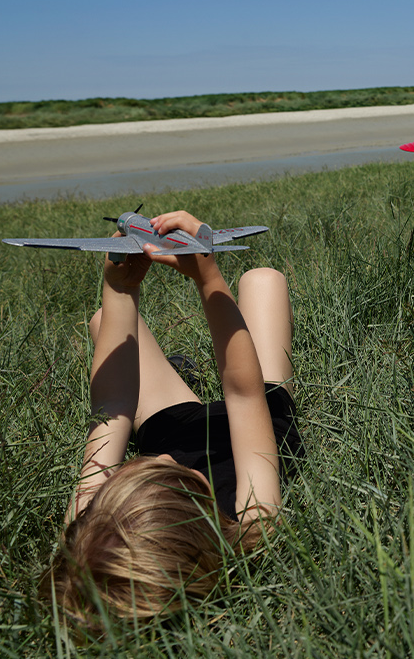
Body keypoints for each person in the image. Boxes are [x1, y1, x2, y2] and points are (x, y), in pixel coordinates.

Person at [47, 211, 302, 629]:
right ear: (200, 514)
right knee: (263, 280)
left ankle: (181, 370)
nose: (164, 458)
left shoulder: (91, 531)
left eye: (133, 469)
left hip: (176, 424)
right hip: (256, 423)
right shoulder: (254, 522)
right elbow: (243, 394)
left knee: (102, 323)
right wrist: (208, 279)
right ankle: (196, 363)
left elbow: (112, 404)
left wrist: (119, 289)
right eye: (172, 472)